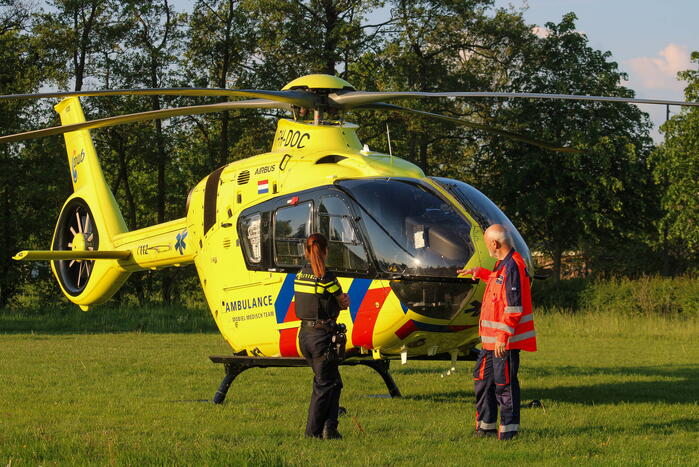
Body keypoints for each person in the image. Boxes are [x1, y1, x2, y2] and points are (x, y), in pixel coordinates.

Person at [457, 224, 536, 441]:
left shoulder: (513, 266)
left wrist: (503, 336)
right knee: (482, 379)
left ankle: (509, 432)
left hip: (504, 343)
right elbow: (498, 286)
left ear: (494, 243)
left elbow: (514, 307)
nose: (487, 248)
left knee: (504, 385)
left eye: (486, 244)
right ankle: (485, 428)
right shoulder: (502, 265)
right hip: (490, 342)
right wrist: (480, 273)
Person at [295, 233, 350, 440]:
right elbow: (342, 301)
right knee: (324, 385)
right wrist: (342, 301)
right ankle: (313, 433)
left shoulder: (300, 274)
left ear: (306, 252)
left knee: (333, 382)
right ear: (325, 251)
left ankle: (331, 429)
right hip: (322, 336)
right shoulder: (327, 277)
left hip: (305, 335)